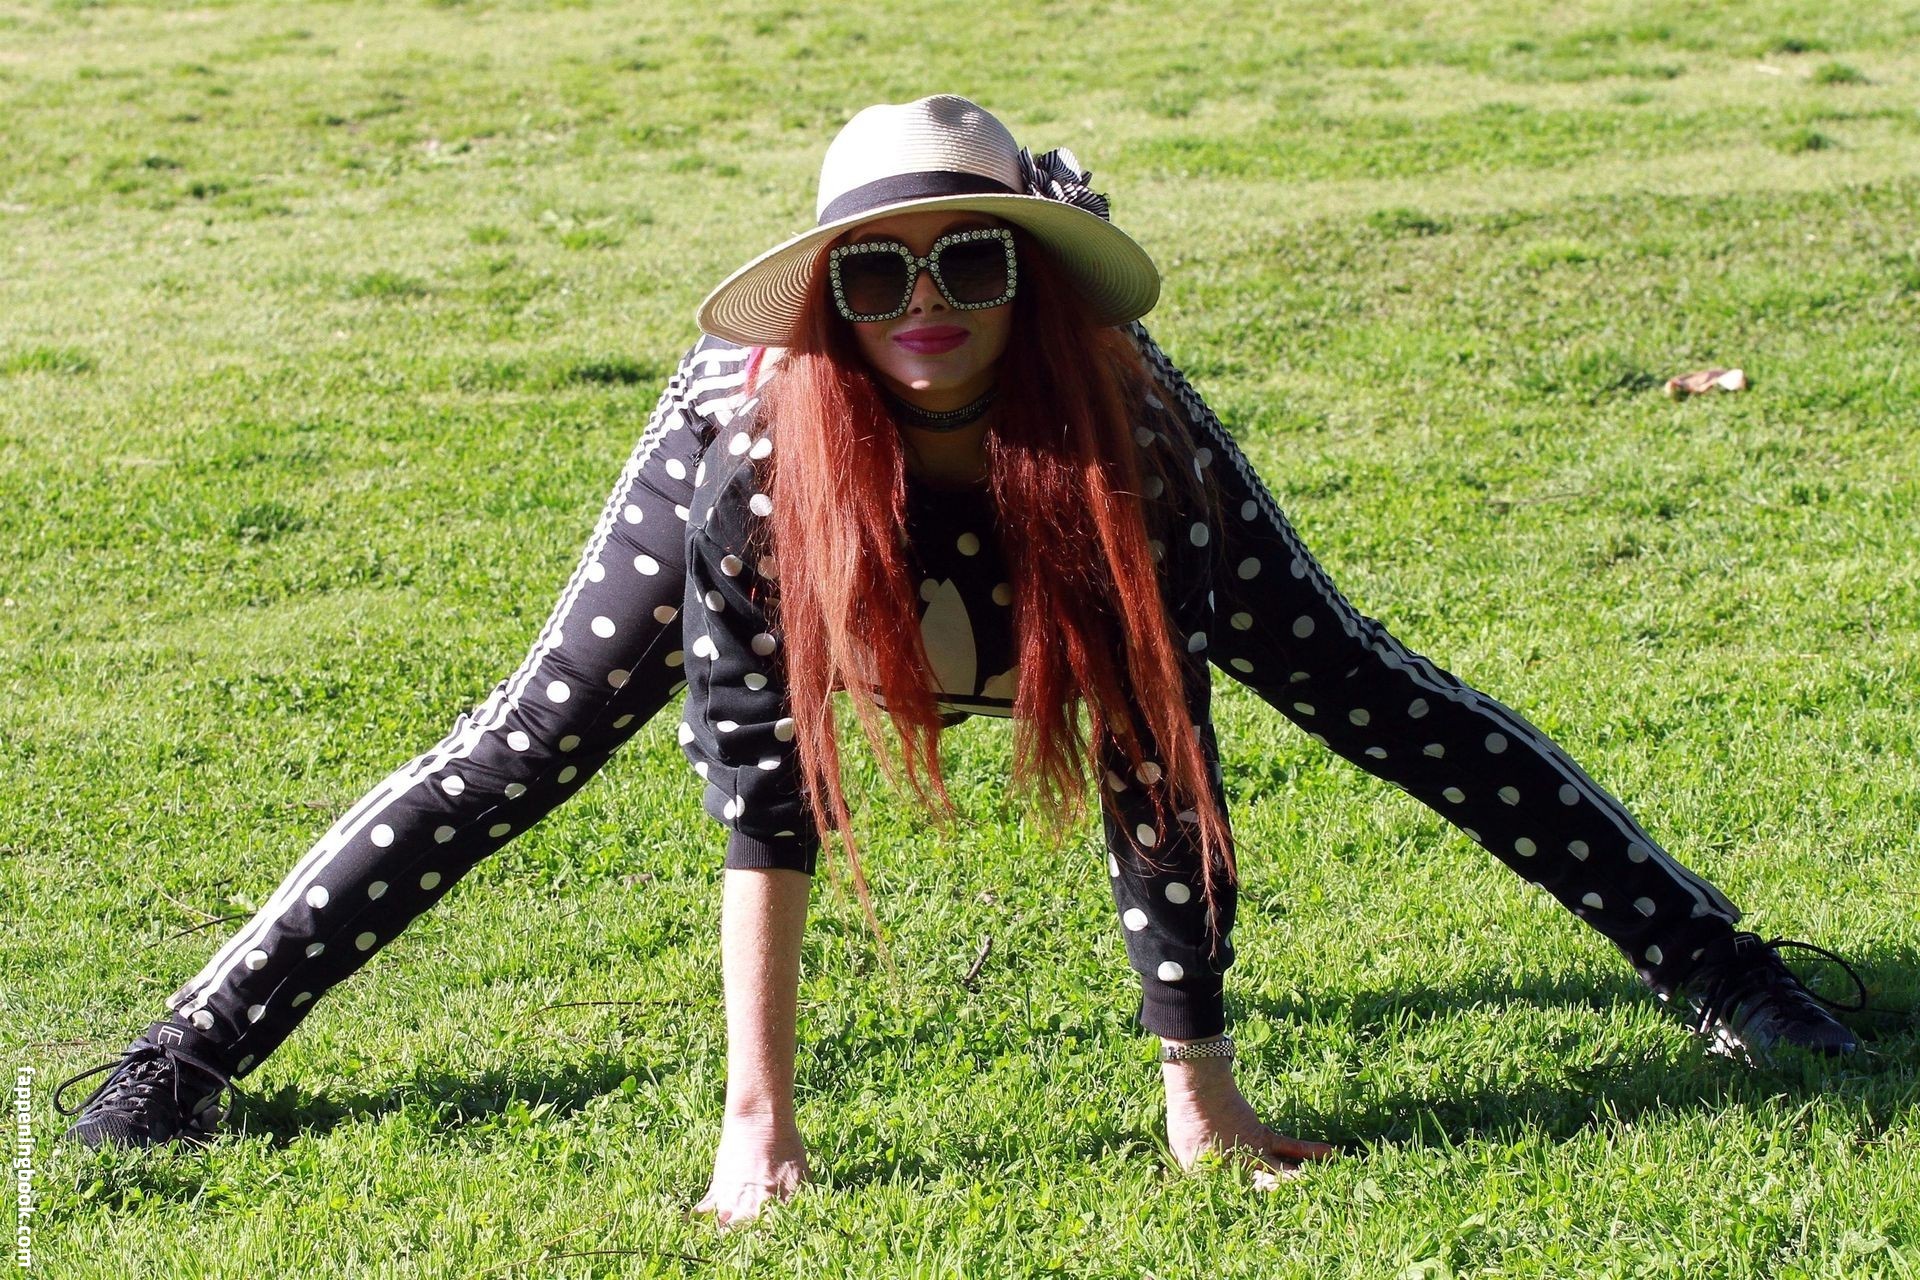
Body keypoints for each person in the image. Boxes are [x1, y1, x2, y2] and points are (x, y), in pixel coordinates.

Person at [56, 95, 1858, 1224]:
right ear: (829, 295)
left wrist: (1204, 1101)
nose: (924, 305)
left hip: (1088, 508)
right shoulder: (753, 449)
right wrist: (757, 1129)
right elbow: (763, 796)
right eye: (877, 274)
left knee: (1374, 693)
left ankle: (1723, 971)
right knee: (521, 747)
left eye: (971, 260)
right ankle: (184, 1056)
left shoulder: (1137, 440)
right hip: (792, 506)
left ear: (1034, 274)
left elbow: (1158, 767)